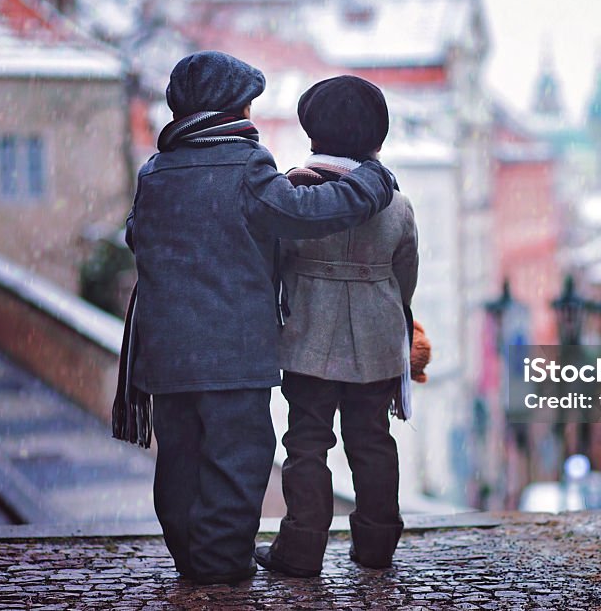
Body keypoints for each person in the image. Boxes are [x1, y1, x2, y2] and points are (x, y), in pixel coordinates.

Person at [117, 53, 395, 585]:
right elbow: (308, 212)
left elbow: (138, 237)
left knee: (181, 460)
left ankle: (192, 560)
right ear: (231, 108)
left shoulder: (156, 170)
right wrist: (372, 181)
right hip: (230, 349)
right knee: (235, 459)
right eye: (247, 102)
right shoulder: (246, 166)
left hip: (164, 350)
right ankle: (220, 571)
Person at [253, 75, 419, 578]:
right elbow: (404, 278)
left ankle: (302, 546)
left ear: (312, 136)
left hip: (307, 339)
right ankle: (376, 543)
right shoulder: (396, 205)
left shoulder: (294, 199)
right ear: (378, 142)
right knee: (371, 441)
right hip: (377, 341)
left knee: (306, 443)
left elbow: (273, 264)